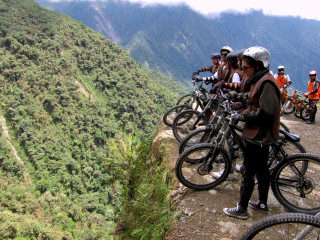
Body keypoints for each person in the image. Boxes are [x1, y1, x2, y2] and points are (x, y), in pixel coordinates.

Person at [223, 46, 281, 220]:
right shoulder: (259, 79)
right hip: (258, 133)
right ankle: (262, 203)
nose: (243, 71)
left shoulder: (267, 83)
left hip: (260, 135)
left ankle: (241, 208)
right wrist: (235, 95)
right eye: (241, 67)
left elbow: (266, 113)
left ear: (257, 65)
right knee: (262, 170)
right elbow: (251, 97)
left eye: (246, 67)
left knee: (248, 170)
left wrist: (244, 114)